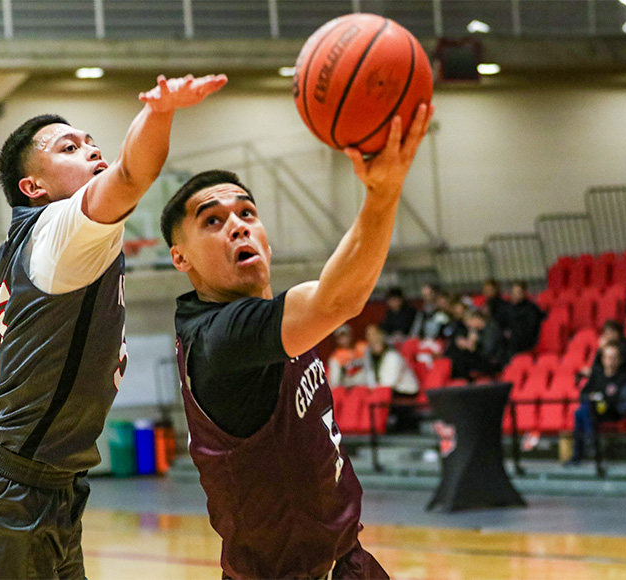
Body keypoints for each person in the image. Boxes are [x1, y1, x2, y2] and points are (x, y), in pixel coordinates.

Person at [0, 73, 227, 578]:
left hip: (49, 492)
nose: (91, 149)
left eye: (91, 142)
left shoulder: (23, 249)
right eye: (69, 147)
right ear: (34, 187)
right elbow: (133, 176)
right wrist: (161, 111)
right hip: (8, 499)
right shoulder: (60, 228)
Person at [162, 105, 433, 579]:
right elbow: (336, 301)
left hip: (346, 561)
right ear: (180, 258)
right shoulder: (220, 340)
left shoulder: (273, 326)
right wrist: (382, 194)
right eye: (212, 221)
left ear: (268, 241)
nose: (237, 225)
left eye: (247, 212)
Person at [567, 342, 626, 466]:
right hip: (594, 410)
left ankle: (581, 453)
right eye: (609, 357)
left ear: (619, 360)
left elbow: (619, 399)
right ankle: (588, 447)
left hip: (612, 411)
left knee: (583, 411)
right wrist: (594, 397)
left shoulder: (623, 377)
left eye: (615, 357)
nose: (611, 361)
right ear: (603, 359)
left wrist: (600, 397)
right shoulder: (596, 375)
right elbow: (583, 395)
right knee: (582, 411)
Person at [360, 325, 419, 396]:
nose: (374, 343)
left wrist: (374, 390)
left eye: (377, 340)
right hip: (387, 392)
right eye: (372, 341)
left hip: (406, 393)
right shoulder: (371, 358)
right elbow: (370, 379)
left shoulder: (393, 356)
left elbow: (389, 383)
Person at [505, 280, 544, 355]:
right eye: (513, 293)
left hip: (525, 344)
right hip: (512, 343)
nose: (515, 295)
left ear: (524, 293)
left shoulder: (531, 309)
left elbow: (531, 330)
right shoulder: (510, 308)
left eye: (518, 292)